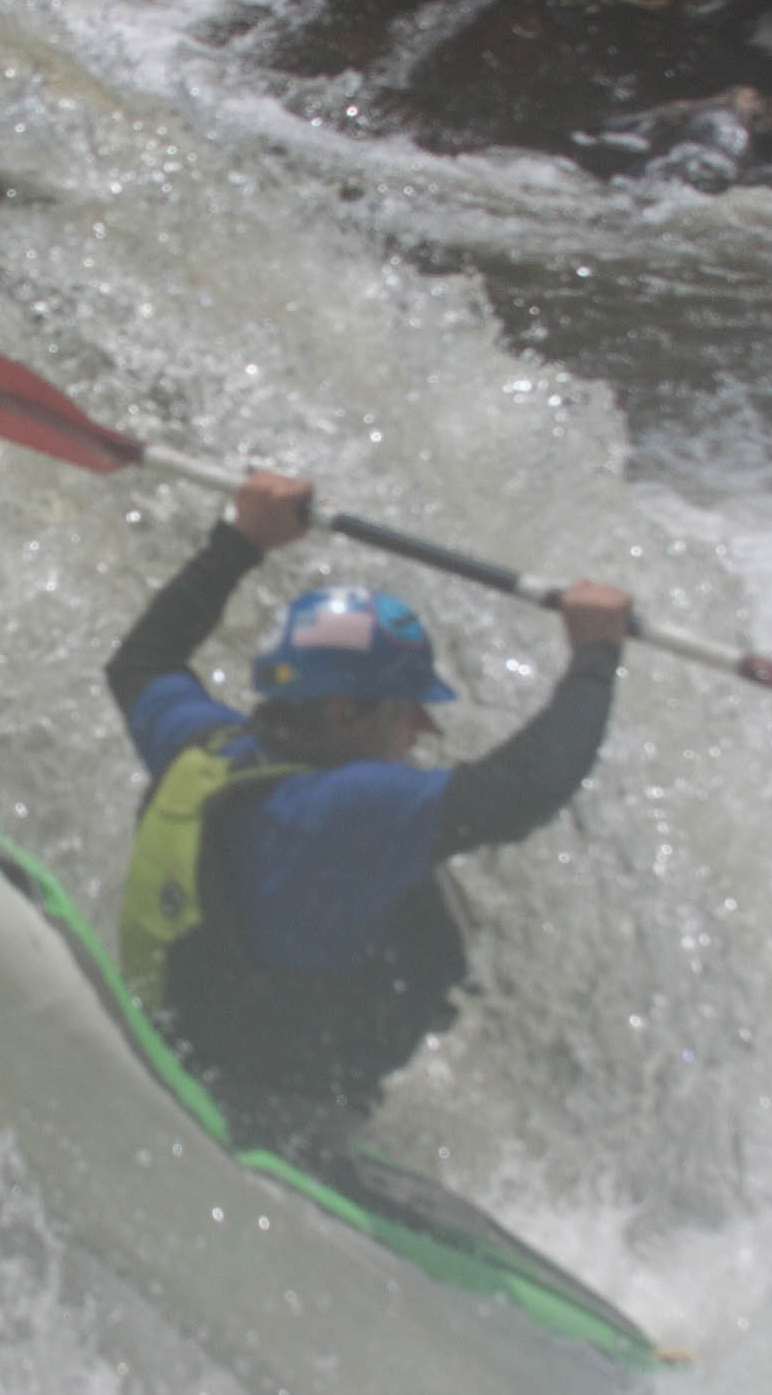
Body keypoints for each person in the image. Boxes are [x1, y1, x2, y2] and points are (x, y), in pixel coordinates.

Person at [104, 465, 632, 1152]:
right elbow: (528, 787)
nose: (424, 728)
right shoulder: (350, 812)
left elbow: (143, 662)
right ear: (342, 710)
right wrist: (596, 654)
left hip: (173, 1052)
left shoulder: (202, 747)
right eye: (409, 708)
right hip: (283, 1120)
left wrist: (241, 540)